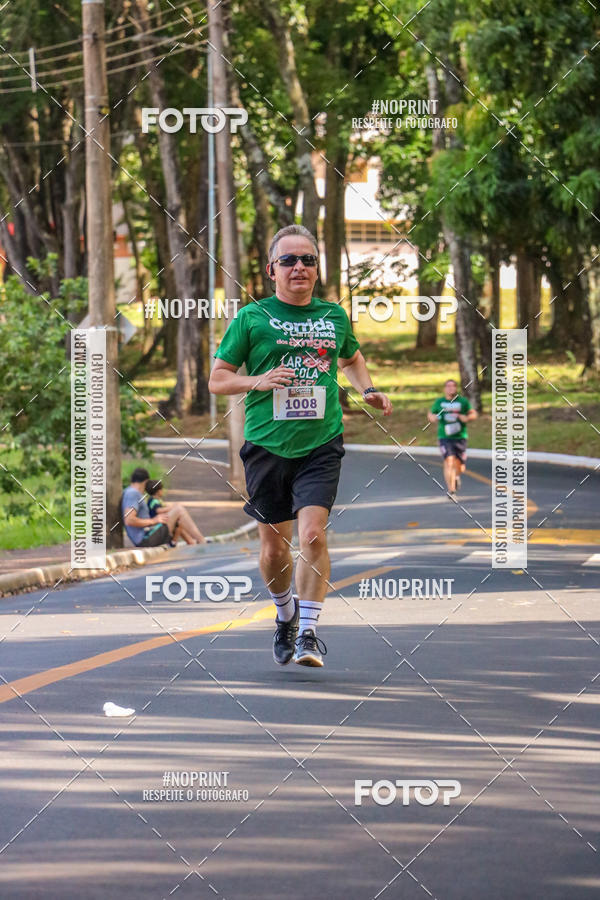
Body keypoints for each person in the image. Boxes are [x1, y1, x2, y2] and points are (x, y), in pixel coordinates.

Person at [209, 224, 391, 668]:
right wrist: (259, 380)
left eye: (307, 260)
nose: (299, 268)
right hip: (267, 445)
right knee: (274, 549)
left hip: (320, 442)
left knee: (312, 535)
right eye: (288, 260)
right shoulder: (252, 318)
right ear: (272, 269)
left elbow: (350, 357)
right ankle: (285, 615)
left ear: (316, 269)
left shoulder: (333, 317)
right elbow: (217, 380)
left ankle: (309, 633)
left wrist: (367, 390)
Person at [122, 468, 205, 547]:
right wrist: (153, 521)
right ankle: (202, 541)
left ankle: (192, 542)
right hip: (145, 538)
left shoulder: (129, 492)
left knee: (177, 516)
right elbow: (129, 520)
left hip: (147, 535)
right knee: (179, 509)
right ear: (145, 482)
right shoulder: (132, 494)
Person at [427, 379, 478, 499]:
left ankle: (455, 477)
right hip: (444, 437)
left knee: (460, 467)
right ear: (445, 388)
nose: (451, 388)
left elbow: (473, 414)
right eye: (448, 386)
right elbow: (431, 414)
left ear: (456, 388)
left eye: (453, 386)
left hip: (460, 437)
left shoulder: (462, 401)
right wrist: (432, 418)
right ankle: (451, 490)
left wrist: (466, 418)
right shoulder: (440, 402)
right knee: (449, 461)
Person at [146, 478, 206, 545]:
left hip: (161, 522)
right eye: (161, 490)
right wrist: (171, 507)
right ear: (158, 491)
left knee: (179, 523)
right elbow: (158, 510)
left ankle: (190, 541)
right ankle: (174, 542)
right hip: (157, 524)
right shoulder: (153, 500)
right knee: (179, 524)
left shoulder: (157, 500)